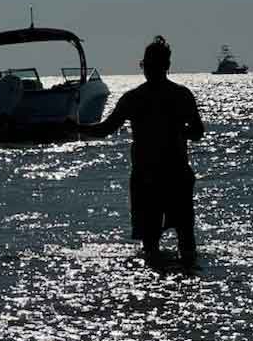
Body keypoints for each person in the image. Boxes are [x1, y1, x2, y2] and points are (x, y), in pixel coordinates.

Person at [75, 35, 204, 266]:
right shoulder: (180, 95)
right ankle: (187, 282)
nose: (147, 70)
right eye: (146, 65)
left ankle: (157, 291)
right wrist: (176, 132)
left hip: (151, 178)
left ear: (163, 66)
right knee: (185, 241)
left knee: (154, 246)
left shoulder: (135, 98)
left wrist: (75, 128)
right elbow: (197, 132)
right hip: (172, 175)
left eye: (148, 65)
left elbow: (105, 129)